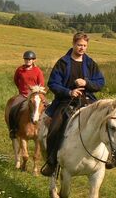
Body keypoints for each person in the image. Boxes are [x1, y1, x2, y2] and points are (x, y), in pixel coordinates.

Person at [41, 32, 105, 176]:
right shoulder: (63, 62)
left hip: (87, 100)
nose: (82, 48)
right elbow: (53, 83)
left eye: (84, 45)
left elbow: (101, 83)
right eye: (79, 45)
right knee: (55, 127)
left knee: (105, 122)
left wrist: (86, 83)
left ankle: (109, 158)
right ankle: (51, 162)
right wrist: (68, 92)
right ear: (73, 44)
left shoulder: (90, 63)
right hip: (65, 101)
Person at [8, 50, 45, 139]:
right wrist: (22, 90)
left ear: (33, 60)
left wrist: (36, 93)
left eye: (30, 59)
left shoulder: (37, 71)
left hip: (35, 95)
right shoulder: (20, 70)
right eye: (26, 59)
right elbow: (16, 80)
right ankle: (13, 129)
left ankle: (46, 130)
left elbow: (41, 84)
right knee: (13, 108)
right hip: (23, 95)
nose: (28, 60)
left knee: (47, 107)